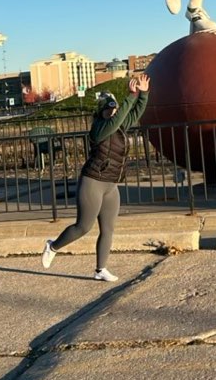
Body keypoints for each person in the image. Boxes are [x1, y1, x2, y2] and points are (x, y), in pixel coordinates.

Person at [41, 76, 150, 281]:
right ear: (101, 112)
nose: (113, 112)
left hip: (111, 185)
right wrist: (131, 95)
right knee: (83, 227)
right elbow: (119, 116)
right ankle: (53, 246)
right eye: (109, 109)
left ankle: (100, 270)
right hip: (93, 182)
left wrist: (143, 94)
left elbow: (134, 113)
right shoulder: (100, 128)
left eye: (114, 109)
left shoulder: (119, 127)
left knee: (108, 229)